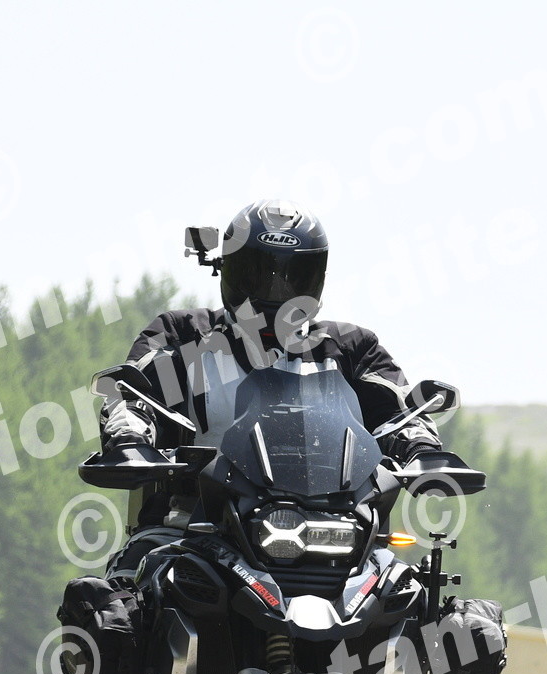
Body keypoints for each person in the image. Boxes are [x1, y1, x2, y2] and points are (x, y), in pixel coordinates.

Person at [98, 199, 444, 573]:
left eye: (293, 277)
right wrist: (129, 438)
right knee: (118, 596)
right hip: (195, 528)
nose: (276, 290)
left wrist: (421, 448)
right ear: (226, 268)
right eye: (258, 274)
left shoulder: (351, 348)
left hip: (333, 532)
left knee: (412, 594)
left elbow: (400, 411)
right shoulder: (184, 338)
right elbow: (133, 395)